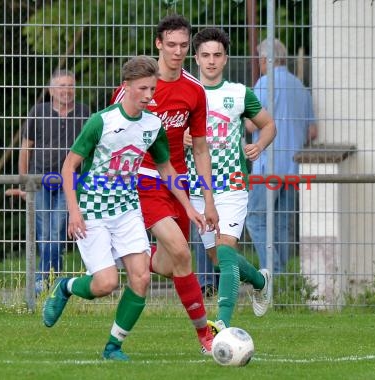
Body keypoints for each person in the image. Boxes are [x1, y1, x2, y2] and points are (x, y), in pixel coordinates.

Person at [42, 55, 206, 361]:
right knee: (106, 284)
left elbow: (167, 170)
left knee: (141, 278)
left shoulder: (153, 125)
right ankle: (66, 287)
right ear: (126, 86)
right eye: (143, 88)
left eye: (152, 88)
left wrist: (189, 207)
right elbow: (69, 167)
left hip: (128, 210)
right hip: (93, 211)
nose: (149, 95)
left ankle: (113, 347)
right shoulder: (101, 122)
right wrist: (74, 211)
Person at [110, 14, 220, 354]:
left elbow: (200, 147)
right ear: (158, 44)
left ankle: (140, 256)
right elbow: (110, 135)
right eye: (170, 44)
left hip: (177, 183)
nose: (177, 51)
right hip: (141, 181)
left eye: (184, 46)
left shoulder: (194, 90)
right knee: (183, 250)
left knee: (176, 263)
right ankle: (205, 335)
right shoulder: (138, 86)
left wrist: (208, 198)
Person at [185, 27, 276, 329]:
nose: (211, 61)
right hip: (199, 187)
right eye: (206, 55)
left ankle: (220, 324)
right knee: (216, 258)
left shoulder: (238, 94)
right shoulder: (186, 93)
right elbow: (161, 134)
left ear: (225, 59)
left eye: (217, 55)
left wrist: (258, 146)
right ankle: (259, 281)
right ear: (195, 58)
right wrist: (179, 136)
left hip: (233, 184)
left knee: (225, 251)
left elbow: (268, 125)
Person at [246, 39, 318, 273]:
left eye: (260, 60)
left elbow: (249, 124)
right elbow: (312, 132)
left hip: (267, 166)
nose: (259, 64)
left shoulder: (264, 84)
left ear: (267, 59)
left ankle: (273, 271)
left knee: (255, 218)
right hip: (293, 167)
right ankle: (283, 280)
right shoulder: (300, 86)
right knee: (282, 224)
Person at [17, 69, 90, 294]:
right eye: (61, 86)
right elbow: (25, 148)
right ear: (51, 90)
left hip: (68, 183)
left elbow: (90, 151)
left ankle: (47, 281)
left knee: (57, 230)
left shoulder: (84, 113)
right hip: (39, 181)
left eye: (70, 86)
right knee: (43, 232)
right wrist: (24, 182)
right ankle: (47, 280)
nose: (66, 91)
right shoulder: (38, 112)